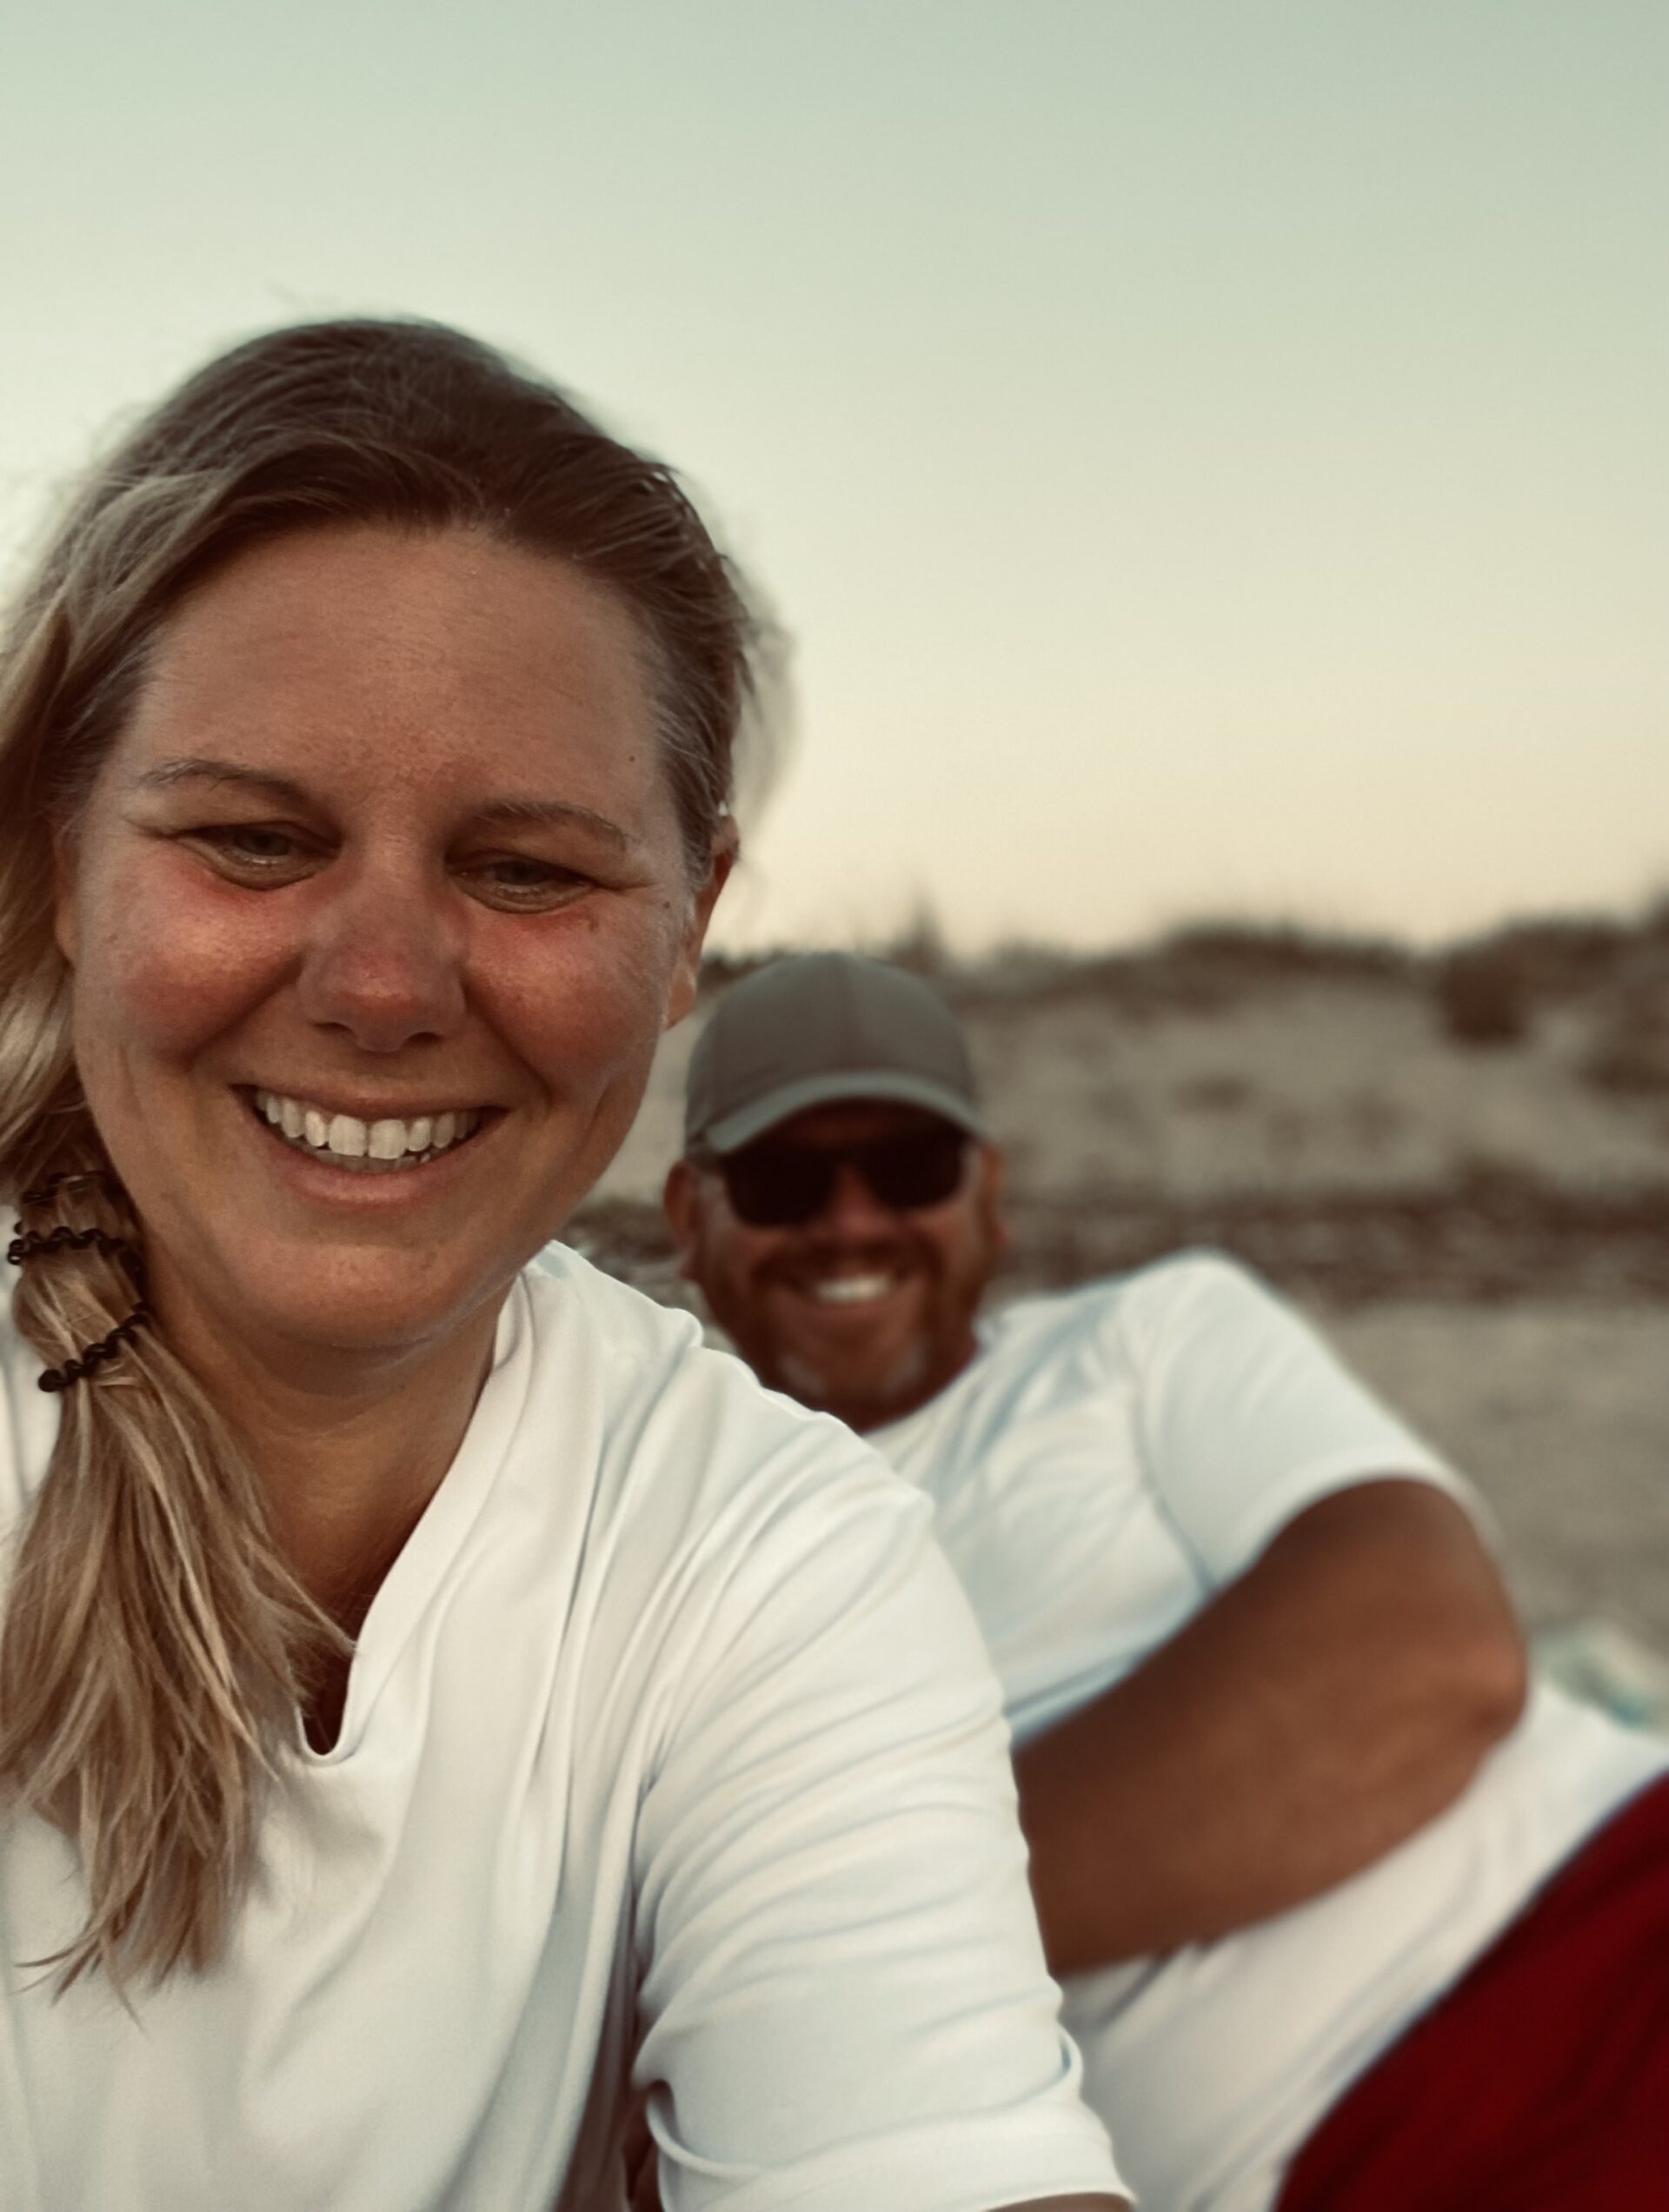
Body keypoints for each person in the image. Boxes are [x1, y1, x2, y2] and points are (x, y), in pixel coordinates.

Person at [0, 327, 1127, 2212]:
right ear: (59, 867)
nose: (379, 984)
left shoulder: (766, 1554)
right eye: (254, 841)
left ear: (690, 928)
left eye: (528, 871)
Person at [666, 950, 1669, 2212]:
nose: (852, 1220)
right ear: (686, 1217)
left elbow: (1428, 1659)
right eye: (783, 1178)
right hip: (1352, 2163)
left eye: (909, 1168)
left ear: (987, 1194)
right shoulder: (687, 1538)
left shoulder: (1143, 1343)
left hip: (1611, 1930)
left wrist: (844, 1940)